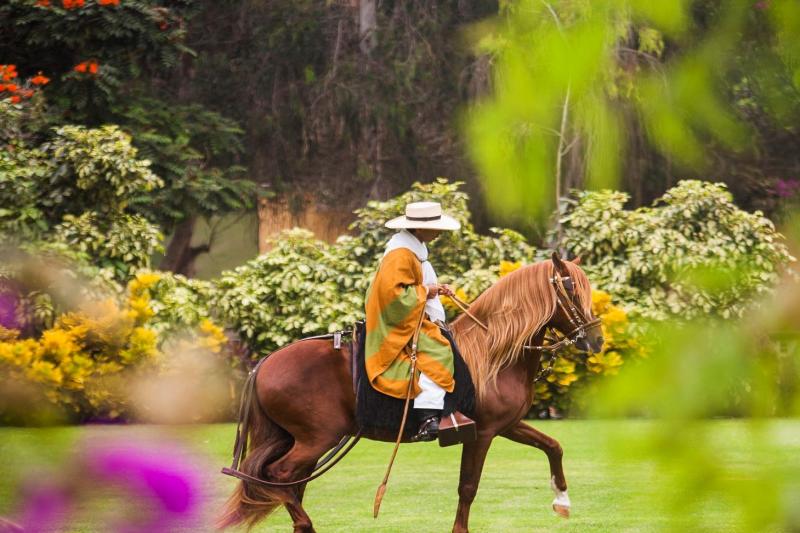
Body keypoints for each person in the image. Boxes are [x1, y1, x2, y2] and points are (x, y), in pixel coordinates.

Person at [364, 201, 460, 441]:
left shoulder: (413, 251)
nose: (439, 232)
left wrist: (433, 290)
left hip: (410, 314)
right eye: (436, 228)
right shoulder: (400, 255)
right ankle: (428, 415)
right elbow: (393, 295)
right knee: (439, 351)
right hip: (395, 321)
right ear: (418, 229)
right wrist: (427, 292)